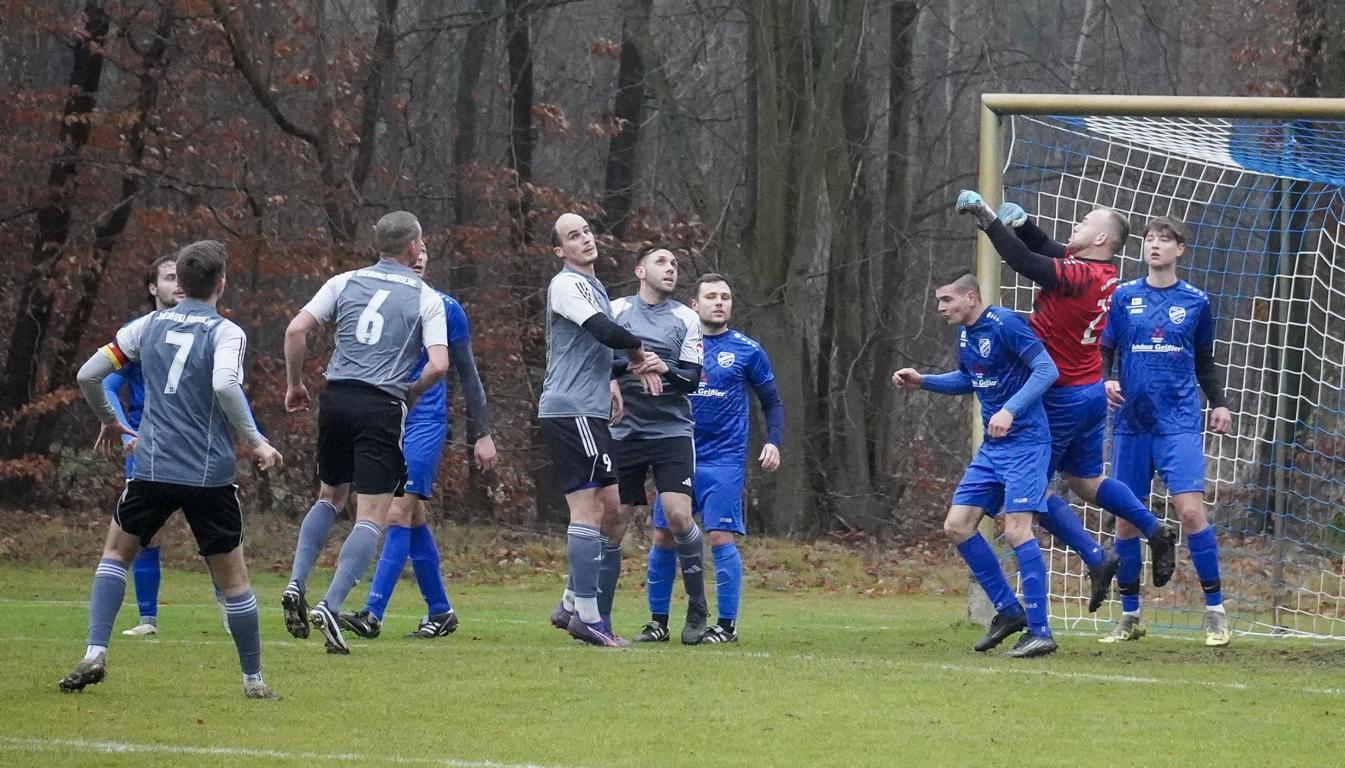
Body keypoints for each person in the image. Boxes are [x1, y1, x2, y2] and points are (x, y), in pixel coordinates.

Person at [60, 240, 282, 699]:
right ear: (221, 283)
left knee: (115, 555)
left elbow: (87, 375)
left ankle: (95, 652)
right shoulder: (226, 332)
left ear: (179, 281)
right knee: (234, 581)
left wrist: (110, 420)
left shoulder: (144, 327)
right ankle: (254, 680)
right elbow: (225, 384)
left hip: (151, 468)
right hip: (208, 475)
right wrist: (256, 440)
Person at [956, 191, 1179, 612]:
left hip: (1060, 396)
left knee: (1030, 492)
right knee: (1085, 481)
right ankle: (1154, 528)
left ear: (1101, 239)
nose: (1076, 225)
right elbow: (1047, 249)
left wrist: (988, 218)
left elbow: (1026, 262)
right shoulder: (1102, 271)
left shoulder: (1077, 276)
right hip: (1089, 389)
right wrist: (1024, 226)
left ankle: (1095, 558)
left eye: (1085, 222)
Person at [281, 211, 449, 654]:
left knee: (328, 497)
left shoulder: (344, 281)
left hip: (336, 398)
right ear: (413, 247)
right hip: (381, 405)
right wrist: (411, 392)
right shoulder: (426, 297)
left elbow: (296, 329)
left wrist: (295, 384)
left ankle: (296, 582)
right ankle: (331, 605)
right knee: (371, 515)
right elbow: (439, 364)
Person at [892, 269, 1060, 658]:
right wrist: (924, 380)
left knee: (1017, 531)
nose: (940, 307)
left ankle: (1040, 631)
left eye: (947, 299)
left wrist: (1011, 410)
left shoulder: (1005, 324)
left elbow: (1047, 370)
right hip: (993, 449)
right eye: (938, 301)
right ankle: (1009, 611)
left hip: (1026, 444)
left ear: (971, 297)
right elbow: (971, 380)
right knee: (957, 525)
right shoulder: (967, 334)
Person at [338, 247, 497, 640]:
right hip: (384, 417)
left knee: (396, 513)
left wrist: (483, 432)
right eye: (411, 249)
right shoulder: (376, 301)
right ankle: (440, 610)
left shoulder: (445, 307)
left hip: (424, 421)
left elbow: (468, 373)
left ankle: (372, 613)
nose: (418, 256)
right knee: (413, 517)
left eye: (423, 249)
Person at [1100, 216, 1234, 646]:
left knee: (1190, 513)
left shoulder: (1195, 301)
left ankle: (1215, 612)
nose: (1154, 245)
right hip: (1131, 423)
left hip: (1178, 422)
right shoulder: (1124, 297)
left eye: (1164, 239)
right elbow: (1105, 349)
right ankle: (1130, 616)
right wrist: (1105, 380)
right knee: (1126, 521)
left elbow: (1204, 362)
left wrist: (1220, 403)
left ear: (1180, 249)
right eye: (1149, 239)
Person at [644, 273, 782, 644]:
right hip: (678, 454)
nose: (719, 302)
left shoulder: (747, 350)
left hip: (724, 460)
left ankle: (726, 626)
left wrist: (773, 442)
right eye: (710, 296)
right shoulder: (676, 346)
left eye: (725, 296)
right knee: (663, 535)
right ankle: (658, 622)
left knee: (720, 535)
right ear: (694, 305)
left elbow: (772, 401)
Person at [539, 212, 652, 648]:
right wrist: (638, 351)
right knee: (588, 509)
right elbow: (602, 330)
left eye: (586, 231)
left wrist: (624, 371)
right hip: (572, 411)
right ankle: (587, 617)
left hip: (588, 411)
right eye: (573, 236)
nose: (585, 239)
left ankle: (570, 601)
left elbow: (592, 352)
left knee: (611, 506)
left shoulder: (593, 286)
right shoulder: (566, 285)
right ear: (559, 250)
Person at [594, 245, 705, 644]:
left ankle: (697, 610)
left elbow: (692, 379)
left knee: (678, 517)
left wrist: (665, 367)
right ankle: (598, 621)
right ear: (640, 271)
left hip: (672, 432)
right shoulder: (615, 310)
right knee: (613, 523)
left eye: (674, 263)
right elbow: (596, 361)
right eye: (661, 262)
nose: (670, 268)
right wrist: (625, 369)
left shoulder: (686, 318)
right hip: (624, 433)